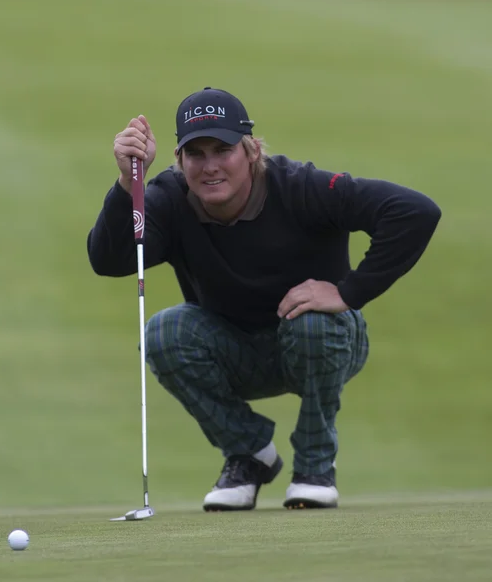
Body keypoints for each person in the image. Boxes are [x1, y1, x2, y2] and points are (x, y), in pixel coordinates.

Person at [87, 87, 441, 511]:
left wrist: (349, 292)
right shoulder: (168, 199)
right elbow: (109, 260)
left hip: (326, 341)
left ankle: (315, 467)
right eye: (196, 153)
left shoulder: (302, 187)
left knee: (311, 321)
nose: (211, 166)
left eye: (223, 149)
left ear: (251, 150)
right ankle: (249, 455)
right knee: (163, 332)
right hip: (233, 352)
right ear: (179, 160)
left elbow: (415, 211)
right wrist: (129, 184)